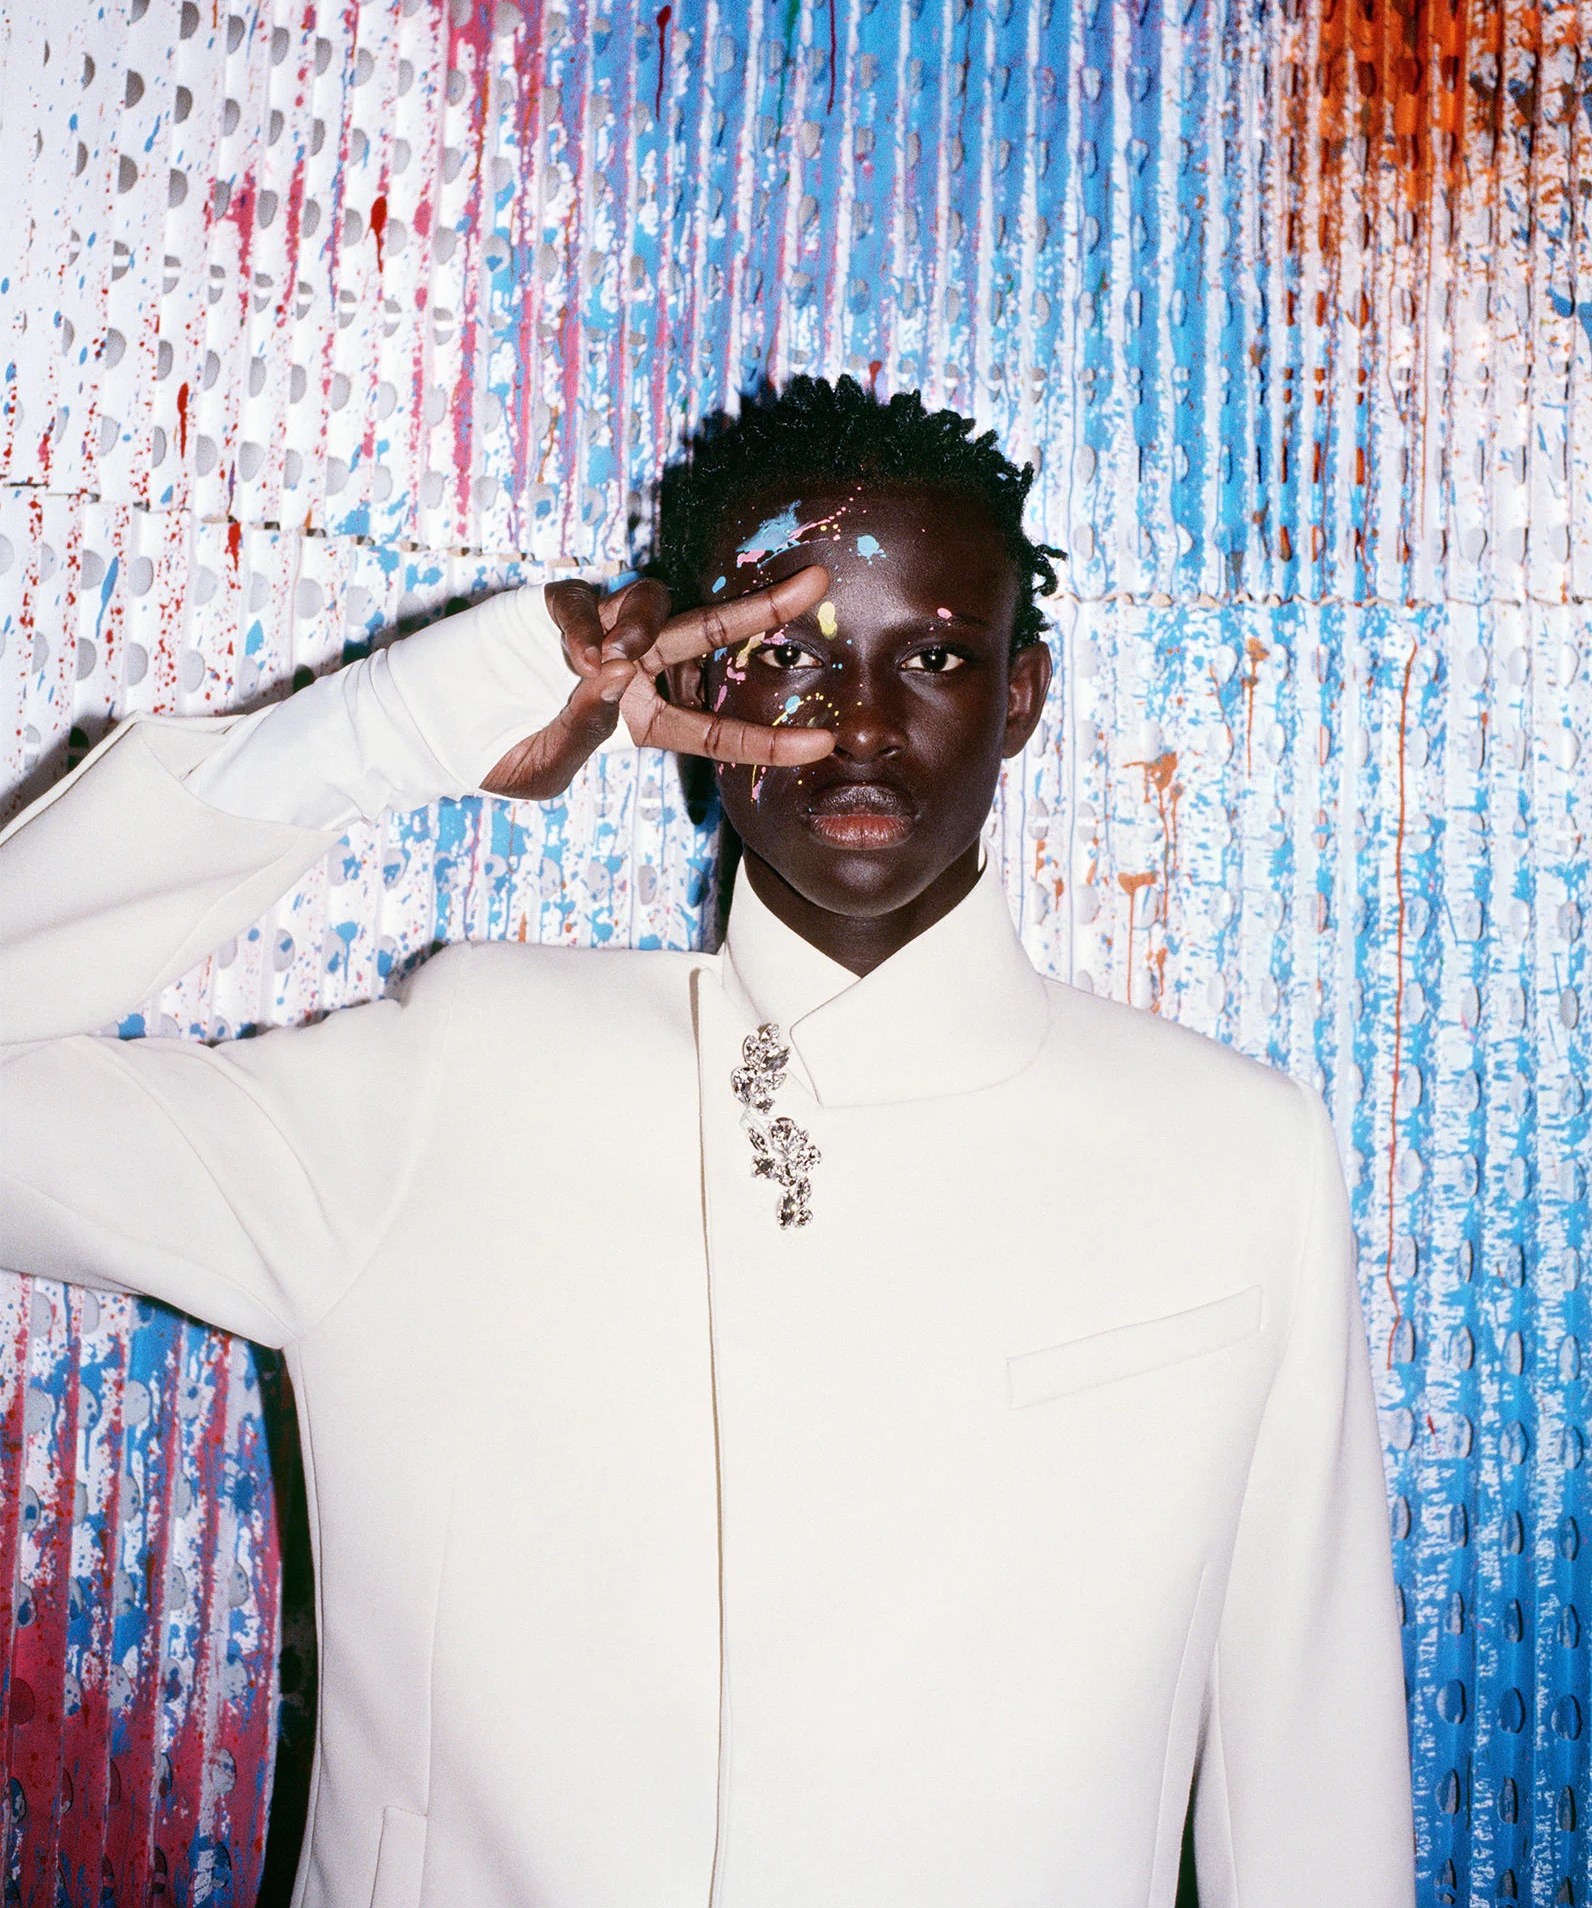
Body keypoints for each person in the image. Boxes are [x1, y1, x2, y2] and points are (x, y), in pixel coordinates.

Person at [0, 377, 1413, 1906]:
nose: (860, 724)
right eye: (783, 659)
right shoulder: (458, 1078)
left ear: (1021, 698)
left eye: (932, 657)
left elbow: (1314, 1815)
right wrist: (410, 720)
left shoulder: (1231, 1162)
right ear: (685, 687)